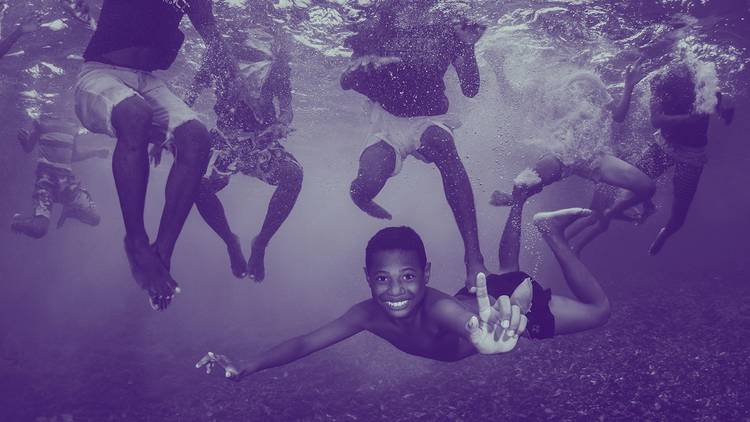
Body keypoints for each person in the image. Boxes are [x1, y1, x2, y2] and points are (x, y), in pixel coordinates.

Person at [195, 212, 612, 380]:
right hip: (489, 293)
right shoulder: (365, 315)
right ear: (368, 278)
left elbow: (462, 319)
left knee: (600, 312)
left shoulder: (440, 307)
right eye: (383, 279)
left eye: (408, 276)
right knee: (504, 271)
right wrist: (246, 366)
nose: (395, 291)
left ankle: (553, 235)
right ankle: (520, 203)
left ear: (426, 274)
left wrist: (482, 335)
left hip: (513, 305)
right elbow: (306, 342)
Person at [74, 0, 235, 310]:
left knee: (198, 137)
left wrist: (235, 78)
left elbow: (212, 36)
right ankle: (136, 243)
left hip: (148, 81)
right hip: (99, 74)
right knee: (137, 114)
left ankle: (162, 254)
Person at [340, 0, 488, 291]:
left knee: (443, 143)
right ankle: (361, 197)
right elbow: (346, 81)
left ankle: (474, 257)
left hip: (428, 120)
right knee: (366, 184)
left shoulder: (449, 28)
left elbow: (471, 89)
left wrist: (468, 45)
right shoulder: (375, 24)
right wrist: (363, 67)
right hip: (387, 123)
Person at [175, 18, 302, 281]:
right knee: (193, 184)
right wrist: (175, 129)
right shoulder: (218, 57)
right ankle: (230, 241)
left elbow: (288, 109)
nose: (252, 53)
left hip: (261, 141)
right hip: (226, 141)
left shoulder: (277, 65)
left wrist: (280, 125)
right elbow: (188, 97)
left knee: (293, 176)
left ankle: (261, 243)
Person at [489, 58, 655, 248]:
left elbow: (617, 115)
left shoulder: (589, 80)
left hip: (595, 157)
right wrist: (499, 69)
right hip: (561, 155)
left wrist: (629, 86)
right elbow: (513, 99)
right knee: (524, 184)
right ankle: (514, 199)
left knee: (647, 187)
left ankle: (612, 212)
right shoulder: (542, 86)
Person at [632, 61, 733, 255]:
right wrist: (689, 119)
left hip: (692, 154)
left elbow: (722, 106)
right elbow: (656, 120)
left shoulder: (703, 81)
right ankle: (648, 205)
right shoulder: (658, 79)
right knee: (635, 178)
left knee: (679, 217)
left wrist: (725, 109)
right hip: (664, 143)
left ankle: (666, 232)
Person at [11, 114, 108, 238]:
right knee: (38, 231)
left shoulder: (73, 127)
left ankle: (71, 211)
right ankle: (17, 222)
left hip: (68, 182)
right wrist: (24, 141)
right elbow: (28, 148)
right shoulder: (41, 122)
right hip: (46, 182)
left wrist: (96, 152)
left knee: (95, 218)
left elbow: (74, 155)